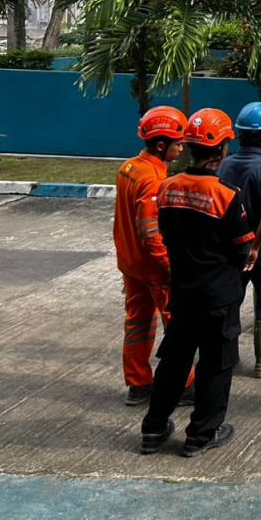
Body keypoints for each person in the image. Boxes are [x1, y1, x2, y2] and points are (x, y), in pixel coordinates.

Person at [138, 109, 253, 458]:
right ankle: (202, 434)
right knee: (216, 365)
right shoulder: (226, 195)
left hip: (183, 291)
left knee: (174, 362)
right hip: (218, 296)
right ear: (221, 148)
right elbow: (242, 248)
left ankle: (153, 428)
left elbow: (167, 234)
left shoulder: (168, 187)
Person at [116, 106, 190, 406]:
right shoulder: (151, 180)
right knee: (176, 327)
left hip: (130, 264)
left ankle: (138, 384)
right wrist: (170, 266)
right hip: (153, 268)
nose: (182, 147)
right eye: (178, 143)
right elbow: (150, 231)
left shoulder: (129, 168)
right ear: (161, 145)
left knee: (137, 324)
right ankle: (183, 386)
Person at [217, 102, 261, 378]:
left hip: (232, 248)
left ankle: (230, 357)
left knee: (232, 300)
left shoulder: (225, 165)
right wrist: (256, 247)